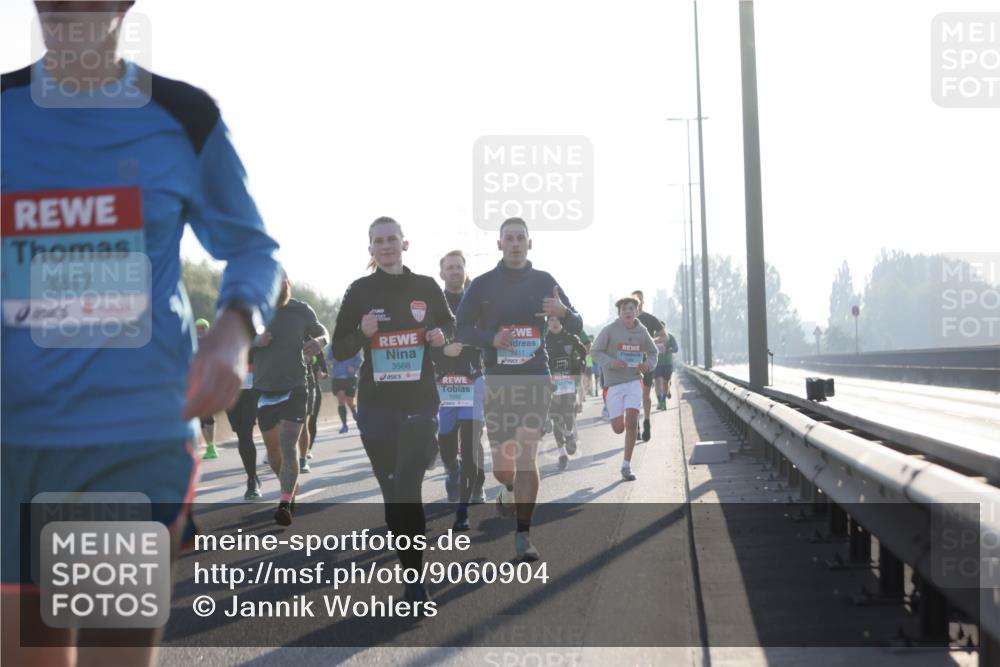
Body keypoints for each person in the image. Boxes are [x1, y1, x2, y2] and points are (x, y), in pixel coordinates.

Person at [1, 3, 281, 664]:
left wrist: (233, 331)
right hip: (11, 439)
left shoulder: (182, 117)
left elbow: (251, 249)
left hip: (131, 438)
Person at [330, 216, 452, 607]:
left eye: (392, 239)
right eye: (378, 241)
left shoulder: (426, 287)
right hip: (377, 408)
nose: (386, 246)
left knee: (407, 490)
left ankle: (415, 581)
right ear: (370, 249)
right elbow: (340, 349)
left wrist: (439, 335)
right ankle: (409, 567)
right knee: (392, 498)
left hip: (418, 404)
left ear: (405, 244)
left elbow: (450, 327)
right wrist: (361, 333)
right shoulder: (359, 291)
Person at [456, 217, 582, 562]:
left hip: (535, 378)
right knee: (503, 468)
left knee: (528, 452)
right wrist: (490, 339)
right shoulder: (482, 285)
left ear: (530, 243)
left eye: (520, 238)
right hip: (497, 380)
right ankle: (507, 490)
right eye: (508, 238)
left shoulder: (544, 281)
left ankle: (524, 535)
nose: (514, 243)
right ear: (499, 244)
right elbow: (461, 329)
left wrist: (563, 312)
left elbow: (577, 323)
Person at [252, 272, 328, 526]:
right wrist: (256, 341)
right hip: (264, 390)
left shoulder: (301, 310)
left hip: (296, 386)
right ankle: (290, 487)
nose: (279, 285)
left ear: (288, 284)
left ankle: (284, 501)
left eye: (283, 280)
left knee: (287, 443)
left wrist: (319, 341)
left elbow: (323, 332)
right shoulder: (254, 310)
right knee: (274, 453)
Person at [436, 250, 487, 528]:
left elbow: (490, 333)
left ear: (465, 271)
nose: (455, 271)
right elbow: (424, 341)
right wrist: (444, 349)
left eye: (459, 267)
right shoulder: (434, 302)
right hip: (443, 382)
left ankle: (473, 486)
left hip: (474, 378)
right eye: (450, 268)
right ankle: (452, 469)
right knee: (445, 440)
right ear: (442, 273)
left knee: (470, 438)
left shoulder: (477, 300)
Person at [591, 296, 660, 481]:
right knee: (618, 428)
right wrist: (611, 362)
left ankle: (626, 466)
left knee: (631, 421)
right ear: (619, 313)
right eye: (624, 309)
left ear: (637, 311)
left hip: (633, 380)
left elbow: (654, 352)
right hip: (613, 384)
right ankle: (610, 411)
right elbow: (595, 352)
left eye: (631, 308)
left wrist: (649, 365)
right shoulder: (610, 330)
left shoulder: (642, 331)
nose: (628, 311)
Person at [545, 316, 587, 470]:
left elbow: (583, 354)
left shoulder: (571, 338)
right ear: (547, 323)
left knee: (568, 416)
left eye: (557, 320)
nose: (554, 323)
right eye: (551, 321)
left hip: (569, 384)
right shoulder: (544, 341)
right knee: (556, 419)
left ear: (562, 322)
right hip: (552, 386)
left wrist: (579, 371)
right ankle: (562, 454)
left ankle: (569, 434)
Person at [630, 290, 667, 443]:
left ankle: (646, 421)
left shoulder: (650, 319)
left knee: (645, 395)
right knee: (633, 396)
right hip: (631, 364)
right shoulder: (626, 320)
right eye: (633, 301)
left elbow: (664, 336)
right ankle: (636, 425)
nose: (636, 304)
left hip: (647, 363)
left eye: (639, 300)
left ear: (643, 302)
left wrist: (652, 340)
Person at [227, 348, 261, 499]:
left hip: (251, 392)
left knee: (246, 434)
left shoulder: (257, 335)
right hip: (230, 393)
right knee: (242, 436)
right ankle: (252, 474)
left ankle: (252, 482)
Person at [195, 318, 219, 459]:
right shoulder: (192, 342)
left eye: (203, 327)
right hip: (195, 384)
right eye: (199, 327)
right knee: (199, 418)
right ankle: (210, 446)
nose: (201, 330)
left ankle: (212, 445)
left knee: (208, 415)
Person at [328, 349, 361, 433]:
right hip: (337, 377)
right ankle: (344, 425)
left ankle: (354, 411)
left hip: (350, 377)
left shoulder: (353, 344)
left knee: (350, 401)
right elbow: (327, 360)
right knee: (341, 398)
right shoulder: (333, 346)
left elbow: (359, 359)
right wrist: (332, 361)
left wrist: (354, 367)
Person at [305, 352, 328, 458]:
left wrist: (321, 374)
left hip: (313, 389)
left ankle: (308, 449)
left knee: (311, 421)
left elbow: (325, 373)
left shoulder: (317, 351)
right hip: (294, 388)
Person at [654, 327, 679, 410]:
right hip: (656, 364)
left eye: (662, 328)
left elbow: (676, 349)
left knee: (665, 383)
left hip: (668, 363)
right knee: (658, 382)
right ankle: (660, 401)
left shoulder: (670, 337)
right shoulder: (654, 336)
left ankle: (664, 400)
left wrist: (670, 349)